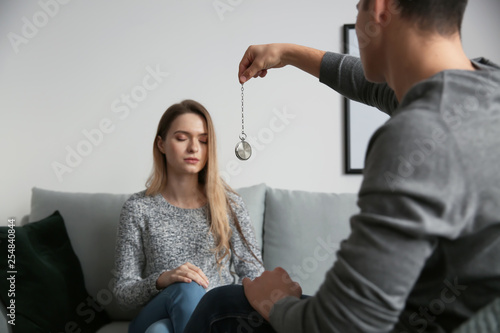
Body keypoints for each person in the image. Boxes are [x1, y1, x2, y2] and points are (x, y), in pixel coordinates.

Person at [183, 0, 500, 332]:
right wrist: (287, 54)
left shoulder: (419, 134)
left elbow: (340, 325)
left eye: (360, 5)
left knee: (222, 305)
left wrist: (274, 301)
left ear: (379, 8)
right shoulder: (481, 89)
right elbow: (366, 83)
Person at [111, 100, 264, 333]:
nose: (194, 148)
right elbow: (122, 292)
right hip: (158, 308)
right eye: (182, 138)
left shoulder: (229, 205)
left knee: (159, 332)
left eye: (203, 140)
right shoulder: (138, 208)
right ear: (161, 144)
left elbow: (255, 277)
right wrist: (164, 278)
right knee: (188, 286)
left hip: (214, 315)